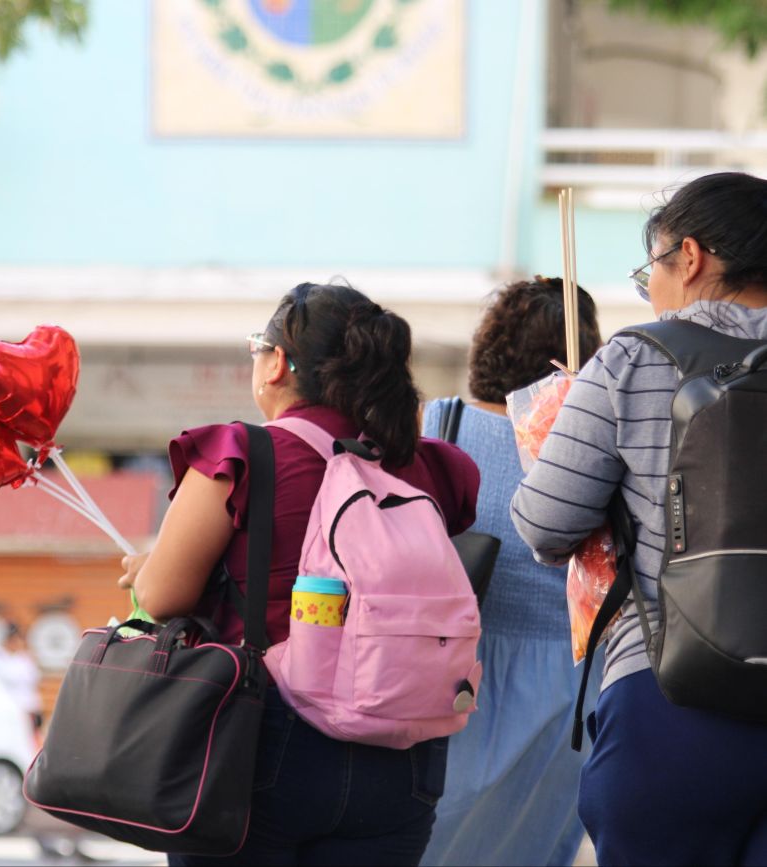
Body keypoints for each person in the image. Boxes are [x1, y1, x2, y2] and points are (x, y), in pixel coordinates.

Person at [119, 281, 480, 866]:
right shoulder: (427, 467)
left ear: (278, 362)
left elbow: (160, 595)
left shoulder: (241, 454)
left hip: (259, 743)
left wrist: (148, 568)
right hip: (401, 749)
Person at [511, 172, 767, 866]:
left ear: (690, 257)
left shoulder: (633, 358)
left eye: (648, 269)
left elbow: (545, 523)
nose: (649, 291)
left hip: (670, 692)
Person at [419, 277, 603, 867]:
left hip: (452, 673)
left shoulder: (439, 430)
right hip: (569, 690)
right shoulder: (592, 449)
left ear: (488, 346)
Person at [0, 622, 43, 735]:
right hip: (7, 709)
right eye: (15, 639)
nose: (18, 642)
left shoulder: (25, 658)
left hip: (28, 708)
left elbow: (33, 682)